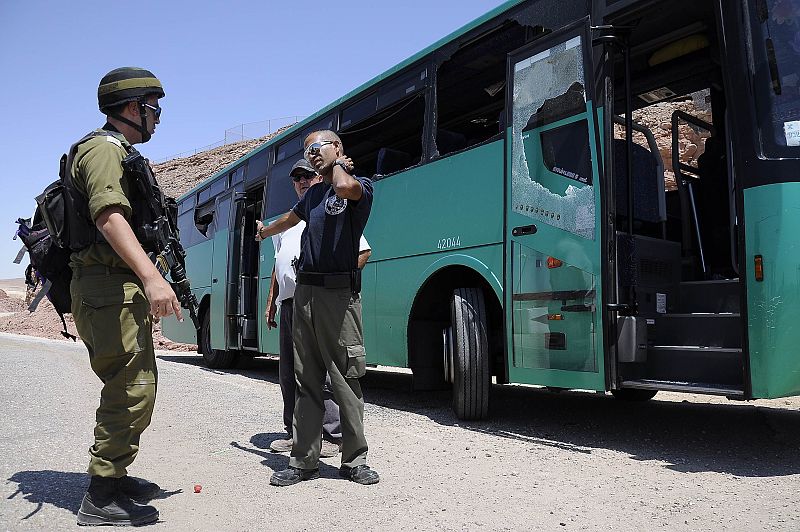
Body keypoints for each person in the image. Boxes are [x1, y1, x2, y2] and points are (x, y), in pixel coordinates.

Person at [70, 67, 182, 526]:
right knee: (130, 387)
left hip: (114, 287)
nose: (158, 119)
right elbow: (109, 216)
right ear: (133, 108)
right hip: (106, 285)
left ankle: (114, 479)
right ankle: (100, 494)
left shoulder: (120, 152)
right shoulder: (102, 150)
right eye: (153, 109)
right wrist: (152, 277)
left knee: (134, 383)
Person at [255, 130, 379, 486]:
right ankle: (304, 461)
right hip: (305, 293)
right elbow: (290, 220)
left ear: (336, 147)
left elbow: (343, 188)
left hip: (339, 298)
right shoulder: (311, 197)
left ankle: (354, 461)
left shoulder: (360, 187)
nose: (309, 156)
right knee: (306, 380)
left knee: (344, 380)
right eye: (305, 151)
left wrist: (339, 166)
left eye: (315, 148)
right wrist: (265, 233)